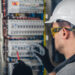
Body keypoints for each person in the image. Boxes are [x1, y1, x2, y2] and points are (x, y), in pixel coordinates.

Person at [35, 0, 75, 75]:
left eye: (53, 31)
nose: (53, 36)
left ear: (64, 32)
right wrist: (49, 67)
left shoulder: (68, 71)